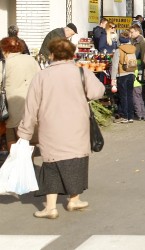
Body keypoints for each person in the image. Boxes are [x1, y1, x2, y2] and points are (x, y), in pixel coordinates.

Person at [18, 38, 105, 219]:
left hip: (51, 127)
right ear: (72, 54)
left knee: (51, 164)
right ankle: (74, 200)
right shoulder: (81, 73)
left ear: (51, 55)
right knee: (77, 160)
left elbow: (31, 106)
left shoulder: (41, 76)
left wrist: (24, 133)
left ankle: (50, 207)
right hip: (77, 125)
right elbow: (98, 91)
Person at [0, 37, 40, 148]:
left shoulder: (5, 63)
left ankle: (14, 162)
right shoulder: (31, 60)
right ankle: (27, 162)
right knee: (27, 139)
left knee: (11, 137)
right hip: (31, 103)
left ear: (5, 49)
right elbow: (40, 77)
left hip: (12, 105)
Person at [110, 31, 137, 123]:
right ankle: (131, 116)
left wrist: (113, 79)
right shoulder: (133, 49)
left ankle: (125, 116)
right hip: (131, 74)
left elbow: (114, 66)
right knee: (130, 95)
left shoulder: (119, 50)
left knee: (123, 96)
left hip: (122, 74)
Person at [128, 24, 145, 120]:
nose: (130, 34)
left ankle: (140, 113)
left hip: (138, 70)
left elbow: (143, 58)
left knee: (137, 93)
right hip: (137, 69)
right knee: (138, 93)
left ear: (137, 32)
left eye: (132, 32)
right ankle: (142, 113)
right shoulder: (134, 41)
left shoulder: (141, 42)